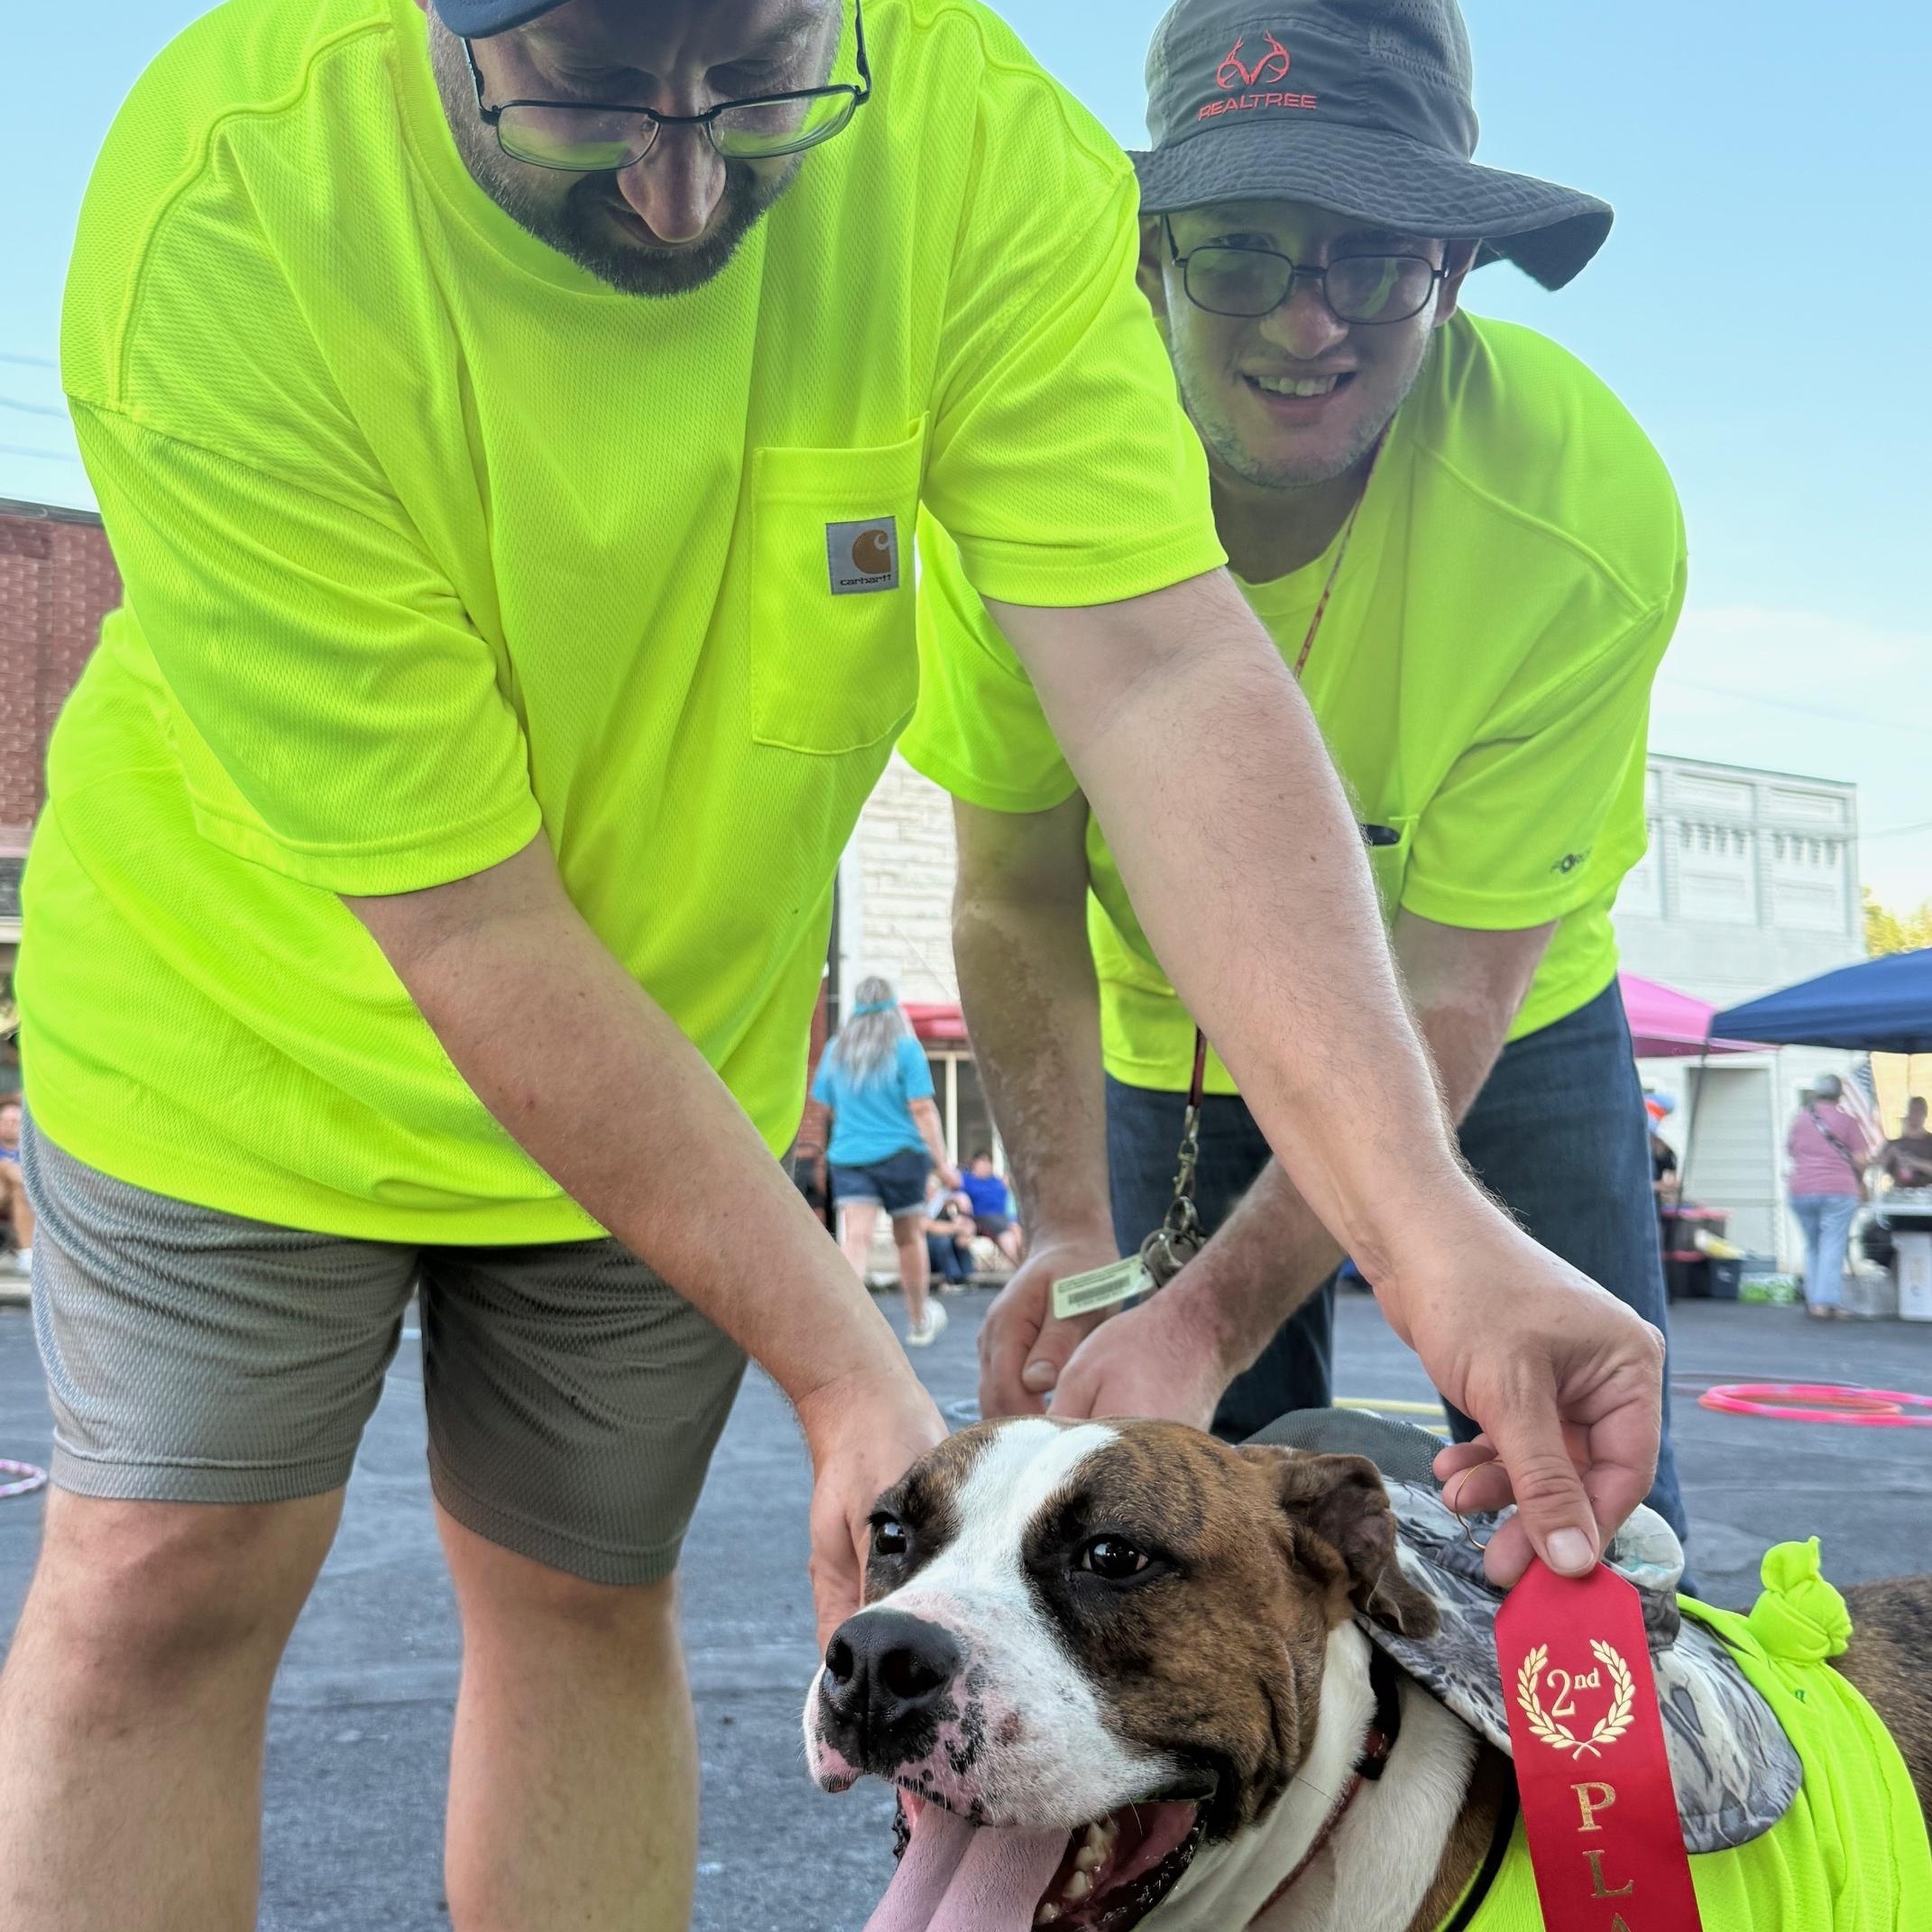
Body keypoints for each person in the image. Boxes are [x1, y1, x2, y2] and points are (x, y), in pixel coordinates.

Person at [0, 0, 1667, 1923]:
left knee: (577, 1596)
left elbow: (1162, 669)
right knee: (157, 1592)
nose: (685, 173)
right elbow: (475, 914)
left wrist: (1435, 1241)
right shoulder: (229, 206)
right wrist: (849, 1357)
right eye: (593, 92)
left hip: (674, 1058)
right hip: (240, 1019)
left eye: (764, 81)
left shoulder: (976, 150)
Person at [907, 0, 1689, 1540]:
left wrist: (1206, 1313)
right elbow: (1012, 891)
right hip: (1163, 1026)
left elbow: (1448, 988)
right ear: (1147, 252)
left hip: (1497, 1024)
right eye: (1242, 250)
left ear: (1452, 270)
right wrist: (1067, 1228)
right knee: (1176, 1524)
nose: (1307, 321)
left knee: (1582, 1494)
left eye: (1375, 257)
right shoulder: (1025, 463)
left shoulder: (1580, 512)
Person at [812, 980, 957, 1345]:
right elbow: (922, 1108)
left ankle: (845, 1327)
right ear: (894, 1008)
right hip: (901, 1157)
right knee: (908, 1238)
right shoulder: (906, 1049)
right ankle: (919, 1320)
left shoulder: (835, 1050)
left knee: (856, 1239)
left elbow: (825, 1105)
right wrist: (942, 1165)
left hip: (850, 1157)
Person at [1787, 1074, 1874, 1320]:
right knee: (1833, 1245)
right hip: (1838, 1189)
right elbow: (1860, 1158)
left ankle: (1814, 1299)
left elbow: (1791, 1150)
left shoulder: (1800, 1119)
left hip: (1801, 1188)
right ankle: (1826, 1302)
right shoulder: (1848, 1121)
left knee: (1812, 1245)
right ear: (1840, 1095)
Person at [958, 1149, 1024, 1265]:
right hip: (982, 1217)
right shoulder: (967, 1180)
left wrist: (1013, 1220)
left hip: (1003, 1218)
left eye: (988, 1162)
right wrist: (960, 1197)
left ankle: (1024, 1267)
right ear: (974, 1163)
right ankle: (1021, 1268)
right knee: (1008, 1234)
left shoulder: (997, 1181)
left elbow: (1009, 1203)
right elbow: (954, 1193)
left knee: (1018, 1232)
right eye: (982, 1162)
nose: (985, 1166)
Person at [921, 1171, 977, 1290]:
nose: (929, 1191)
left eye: (932, 1188)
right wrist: (956, 1228)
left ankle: (967, 1277)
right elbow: (929, 1226)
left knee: (959, 1241)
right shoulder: (921, 1205)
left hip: (945, 1245)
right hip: (926, 1249)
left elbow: (967, 1224)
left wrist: (966, 1234)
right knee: (942, 1241)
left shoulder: (948, 1202)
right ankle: (952, 1279)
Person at [0, 1095, 32, 1274]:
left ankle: (27, 1256)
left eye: (14, 1121)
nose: (9, 1125)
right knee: (5, 1169)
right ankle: (27, 1255)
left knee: (20, 1188)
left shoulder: (32, 1152)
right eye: (4, 1121)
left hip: (21, 1200)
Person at [1879, 1095, 1932, 1190]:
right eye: (1912, 1111)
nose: (1915, 1115)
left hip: (1927, 1195)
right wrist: (1890, 1154)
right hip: (1899, 1194)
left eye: (1919, 1111)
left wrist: (1916, 1163)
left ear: (1925, 1114)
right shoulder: (1894, 1143)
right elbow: (1878, 1169)